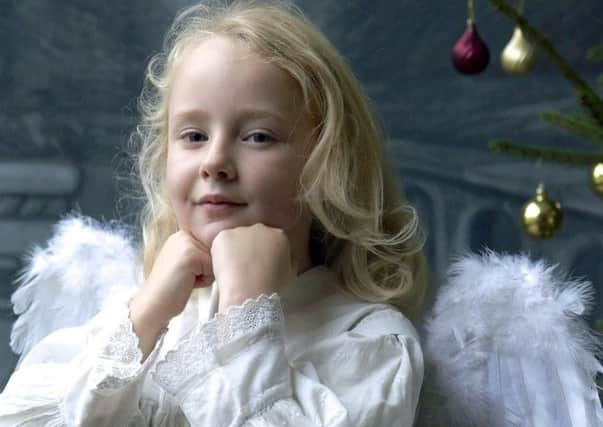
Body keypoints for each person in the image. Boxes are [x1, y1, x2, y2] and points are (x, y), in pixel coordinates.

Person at [0, 0, 428, 425]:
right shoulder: (135, 321)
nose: (215, 160)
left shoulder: (370, 341)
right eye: (194, 135)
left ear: (329, 162)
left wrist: (245, 315)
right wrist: (145, 315)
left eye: (258, 136)